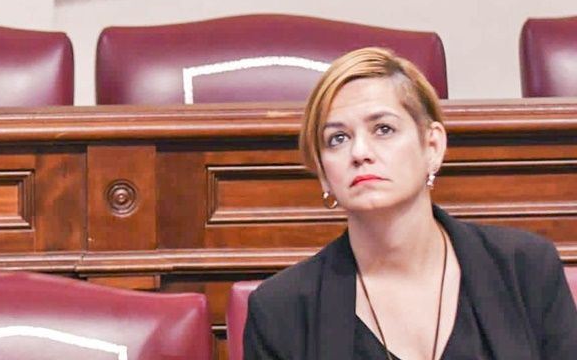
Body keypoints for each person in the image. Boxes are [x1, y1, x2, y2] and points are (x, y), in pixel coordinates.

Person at [244, 47, 577, 359]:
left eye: (383, 129)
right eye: (338, 139)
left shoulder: (526, 269)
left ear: (432, 145)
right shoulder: (280, 311)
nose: (360, 153)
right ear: (323, 173)